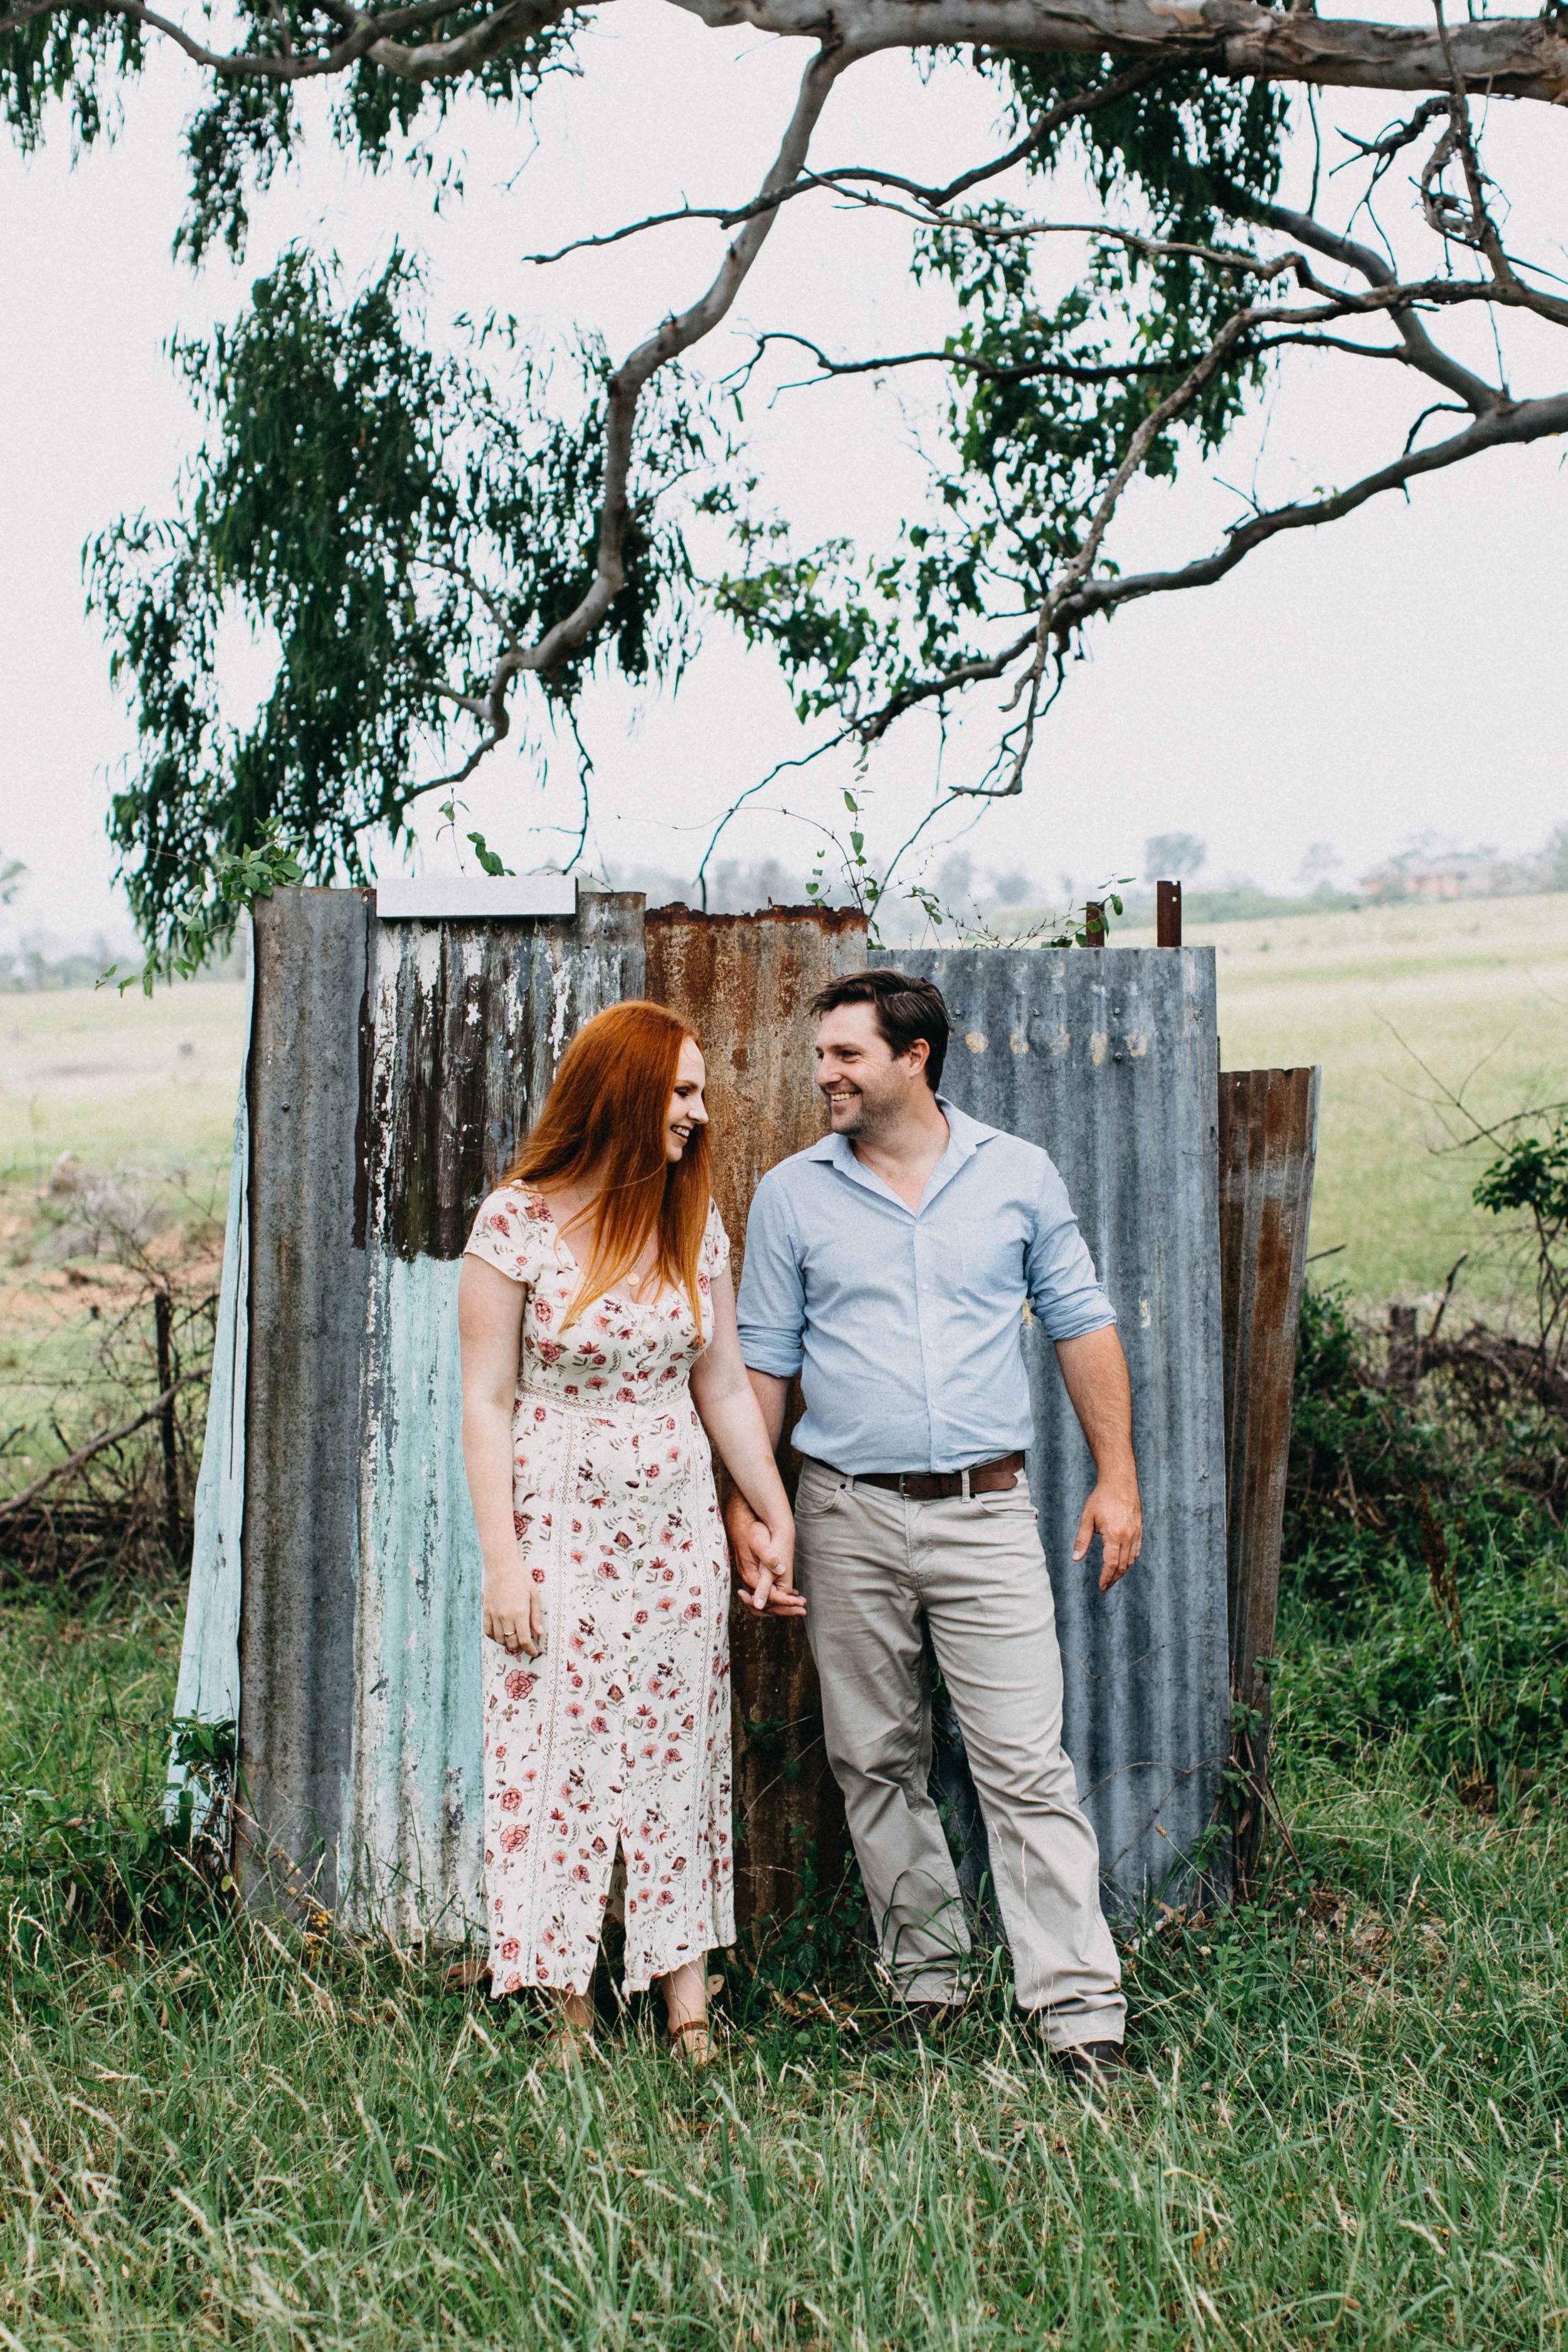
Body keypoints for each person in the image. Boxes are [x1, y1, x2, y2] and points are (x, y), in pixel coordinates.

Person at [725, 968, 1141, 2082]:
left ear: (915, 1057)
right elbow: (763, 1364)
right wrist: (754, 1509)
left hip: (986, 1512)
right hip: (845, 1513)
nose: (825, 1075)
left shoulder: (1018, 1177)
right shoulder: (792, 1197)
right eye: (822, 1057)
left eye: (845, 1056)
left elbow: (1082, 1323)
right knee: (875, 1759)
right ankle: (929, 1984)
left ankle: (1081, 2014)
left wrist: (1118, 1479)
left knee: (1024, 1763)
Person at [458, 1001, 799, 2067]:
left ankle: (686, 2007)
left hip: (674, 1533)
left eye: (700, 1092)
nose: (699, 1113)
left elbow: (725, 1386)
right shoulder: (515, 1223)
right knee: (557, 1755)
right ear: (623, 1091)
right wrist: (502, 1563)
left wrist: (771, 1507)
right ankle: (569, 2005)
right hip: (557, 1526)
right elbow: (486, 1401)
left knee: (676, 1752)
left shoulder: (691, 1225)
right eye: (682, 1091)